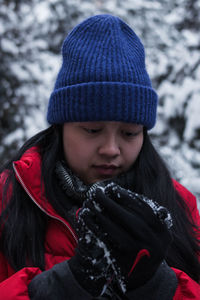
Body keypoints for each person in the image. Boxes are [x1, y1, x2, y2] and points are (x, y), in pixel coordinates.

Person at [0, 14, 199, 300]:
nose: (111, 149)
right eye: (92, 130)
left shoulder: (179, 206)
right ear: (61, 127)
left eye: (129, 133)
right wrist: (61, 288)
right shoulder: (9, 199)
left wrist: (158, 286)